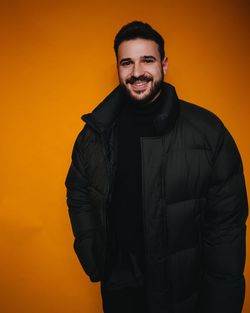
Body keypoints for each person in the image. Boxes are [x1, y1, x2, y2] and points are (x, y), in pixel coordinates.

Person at [65, 21, 248, 313]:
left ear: (164, 64)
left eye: (147, 60)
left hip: (183, 292)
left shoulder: (208, 132)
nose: (137, 72)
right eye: (127, 62)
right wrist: (93, 251)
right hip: (119, 288)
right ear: (118, 68)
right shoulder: (96, 133)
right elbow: (77, 190)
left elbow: (226, 227)